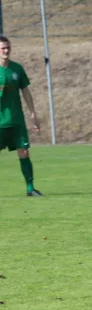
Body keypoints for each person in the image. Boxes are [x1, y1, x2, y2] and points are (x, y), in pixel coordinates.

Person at [0, 36, 43, 196]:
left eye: (8, 48)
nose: (6, 51)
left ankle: (30, 189)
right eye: (3, 48)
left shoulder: (17, 69)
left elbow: (25, 91)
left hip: (16, 120)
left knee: (24, 152)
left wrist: (33, 114)